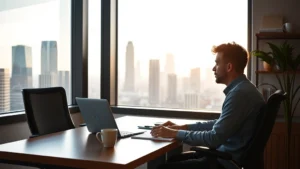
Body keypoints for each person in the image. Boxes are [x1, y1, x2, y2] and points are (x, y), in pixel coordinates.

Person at [150, 42, 265, 169]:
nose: (213, 68)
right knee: (173, 159)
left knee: (162, 167)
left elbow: (214, 138)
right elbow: (220, 124)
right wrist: (183, 127)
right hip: (225, 158)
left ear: (229, 67)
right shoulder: (243, 89)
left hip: (225, 163)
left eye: (217, 63)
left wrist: (175, 133)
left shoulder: (240, 94)